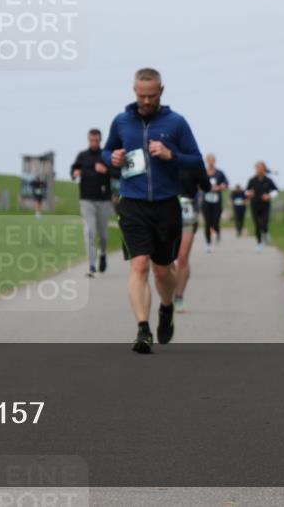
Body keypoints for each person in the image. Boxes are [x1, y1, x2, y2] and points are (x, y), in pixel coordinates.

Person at [103, 68, 203, 353]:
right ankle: (143, 329)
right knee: (139, 264)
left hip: (166, 204)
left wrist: (172, 155)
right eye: (141, 95)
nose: (146, 101)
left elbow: (195, 160)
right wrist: (113, 156)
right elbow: (107, 151)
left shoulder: (176, 123)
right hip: (132, 203)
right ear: (134, 91)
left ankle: (167, 307)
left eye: (151, 95)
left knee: (162, 271)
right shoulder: (121, 121)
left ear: (161, 91)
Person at [71, 128, 119, 277]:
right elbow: (74, 170)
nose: (94, 142)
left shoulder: (105, 156)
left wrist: (106, 171)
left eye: (96, 140)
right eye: (92, 140)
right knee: (89, 232)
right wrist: (74, 173)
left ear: (100, 140)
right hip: (86, 200)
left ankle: (103, 253)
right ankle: (91, 265)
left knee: (103, 235)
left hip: (104, 200)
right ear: (88, 140)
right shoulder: (82, 156)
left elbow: (117, 173)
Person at [174, 165, 211, 312]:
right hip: (165, 211)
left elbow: (206, 185)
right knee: (166, 260)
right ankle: (168, 292)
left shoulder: (192, 160)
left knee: (182, 257)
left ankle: (179, 296)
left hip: (189, 213)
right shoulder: (158, 156)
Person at [246, 161, 279, 253]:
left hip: (265, 205)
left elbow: (276, 190)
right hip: (254, 205)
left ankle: (266, 232)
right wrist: (249, 193)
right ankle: (259, 243)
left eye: (261, 168)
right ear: (255, 169)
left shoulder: (268, 180)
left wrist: (269, 196)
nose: (259, 170)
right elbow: (246, 191)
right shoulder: (252, 180)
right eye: (257, 168)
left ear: (264, 169)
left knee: (264, 223)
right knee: (257, 225)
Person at [200, 153, 229, 253]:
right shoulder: (203, 172)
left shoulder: (220, 173)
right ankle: (208, 243)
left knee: (215, 220)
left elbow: (226, 184)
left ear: (215, 161)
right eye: (209, 160)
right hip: (206, 201)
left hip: (217, 201)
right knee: (207, 222)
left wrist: (219, 187)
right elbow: (198, 184)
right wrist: (206, 188)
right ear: (206, 161)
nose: (211, 162)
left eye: (213, 160)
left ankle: (217, 231)